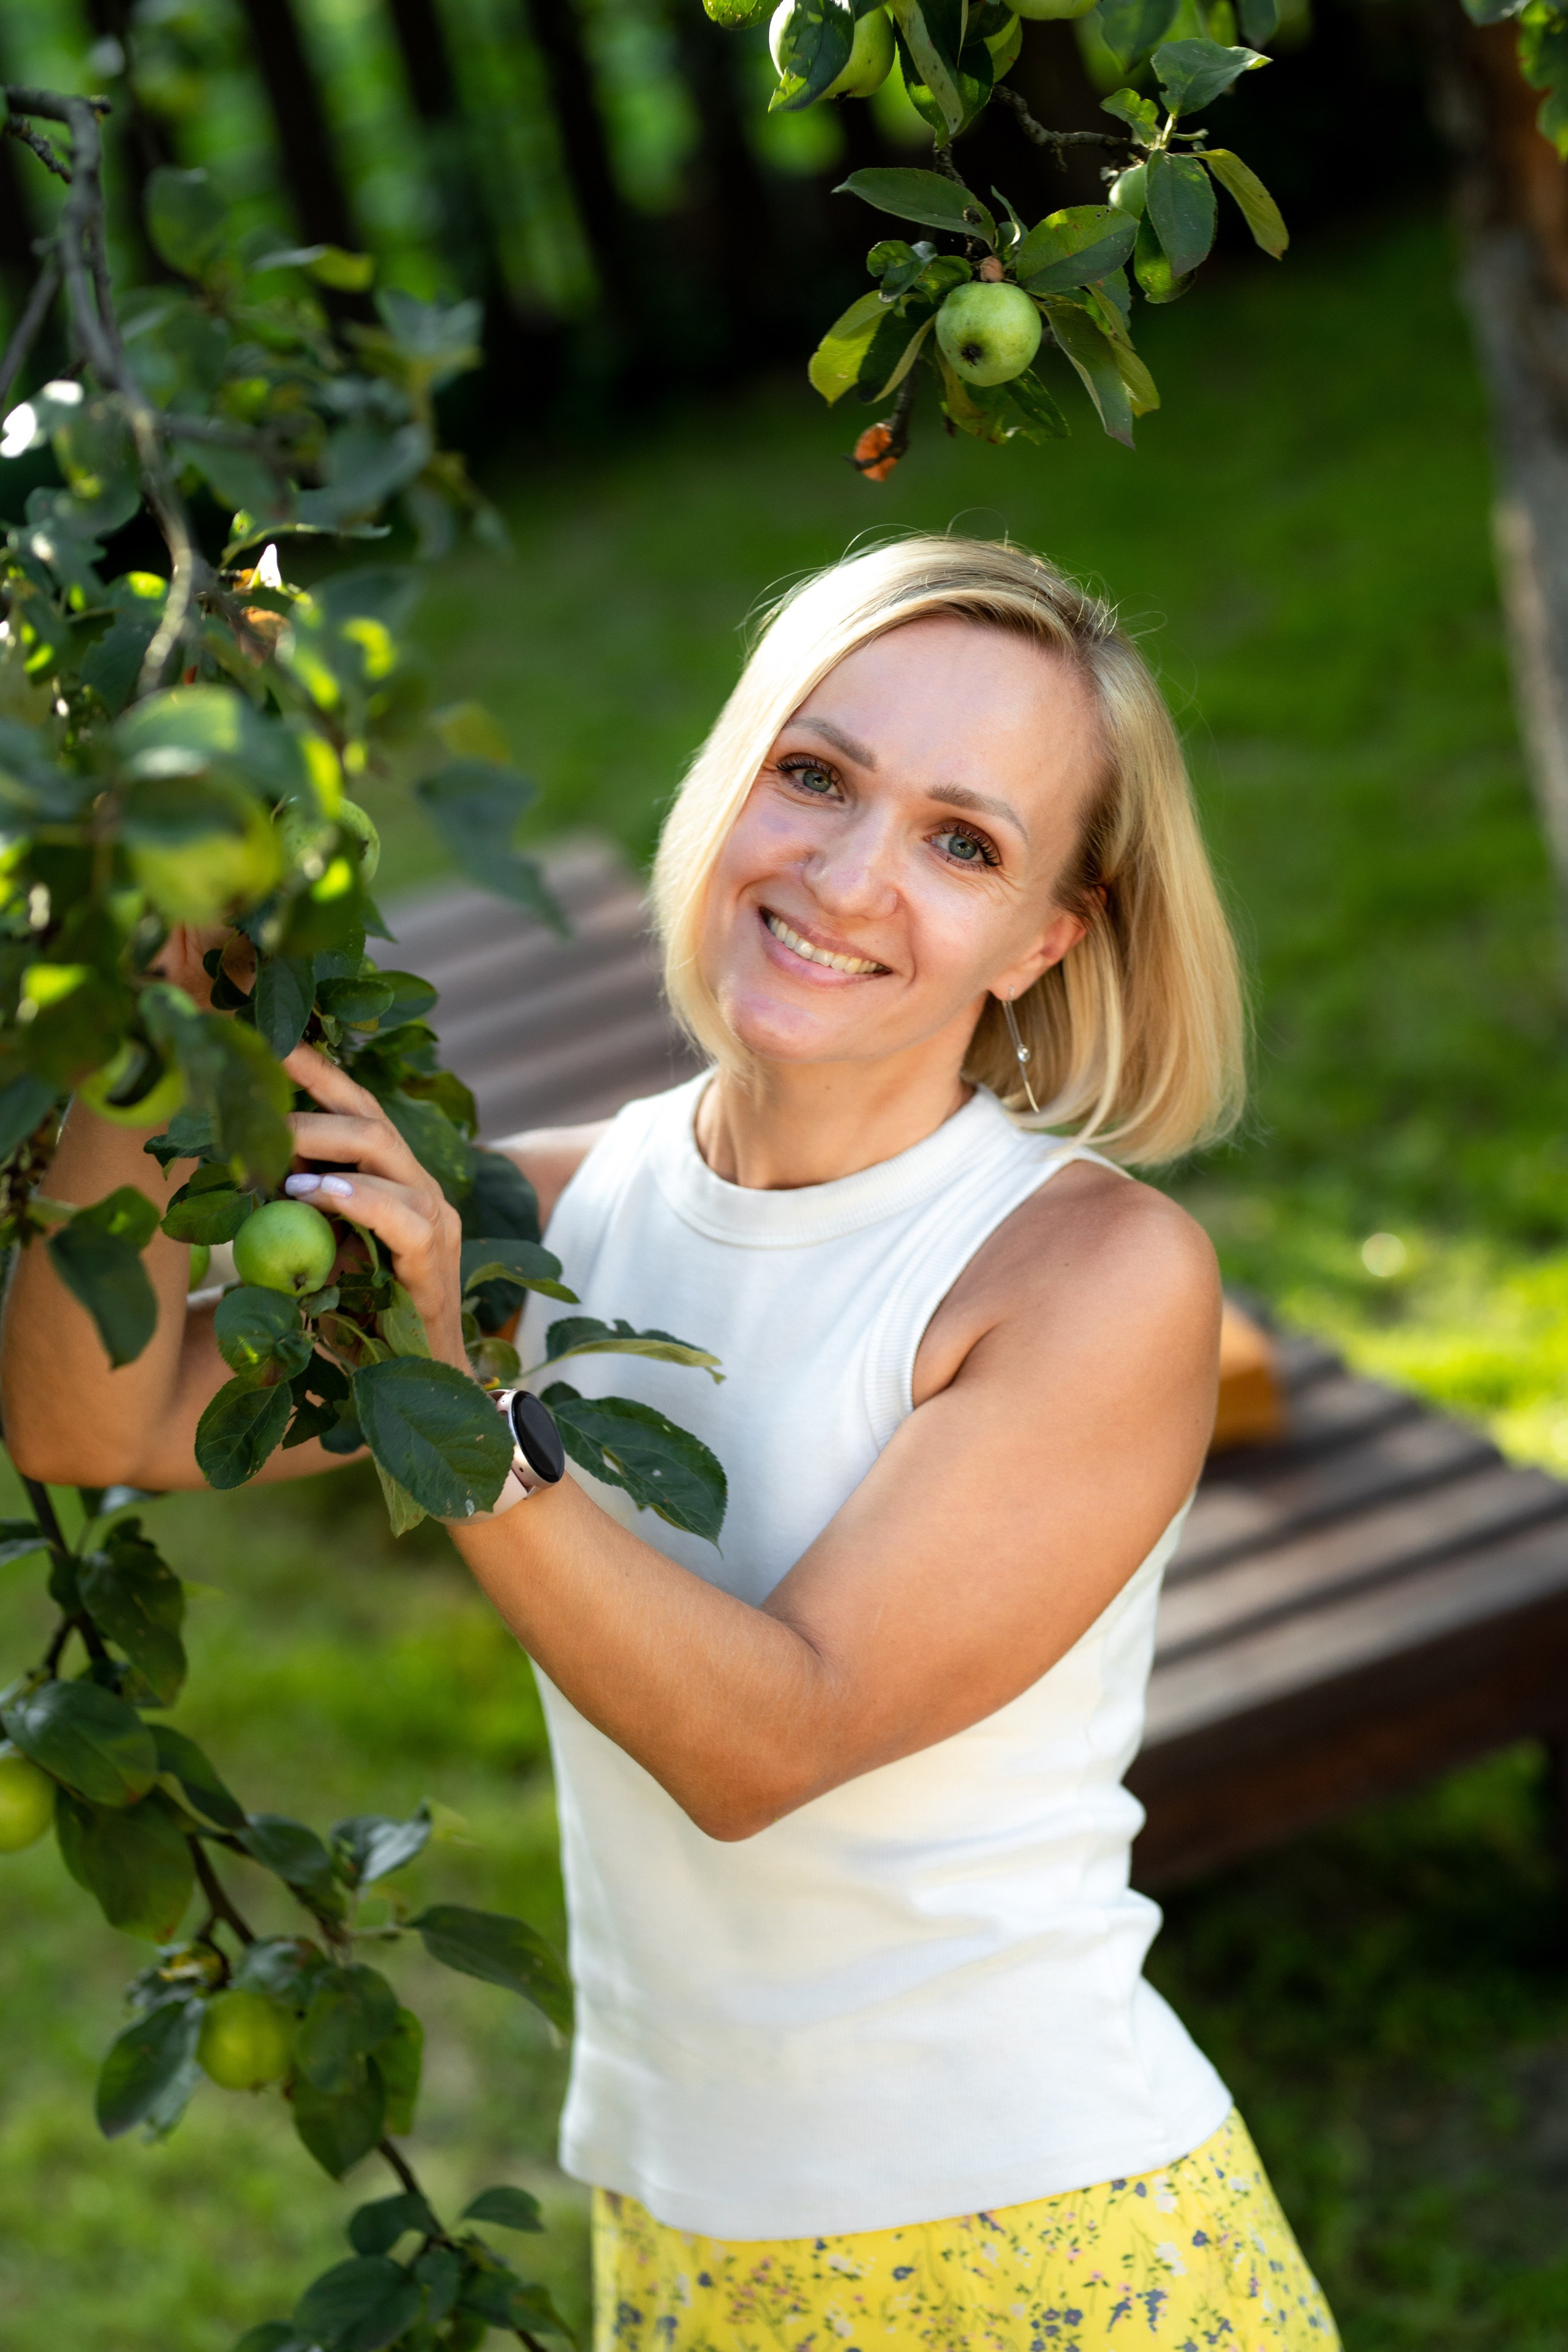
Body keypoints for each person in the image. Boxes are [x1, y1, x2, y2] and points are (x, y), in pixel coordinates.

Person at [2, 537, 1339, 2350]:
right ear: (734, 778)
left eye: (965, 841)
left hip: (1035, 2233)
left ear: (1048, 935)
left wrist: (455, 1403)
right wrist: (157, 971)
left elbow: (763, 1745)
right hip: (683, 2222)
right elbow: (104, 1418)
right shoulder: (580, 1207)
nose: (852, 874)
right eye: (818, 773)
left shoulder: (1089, 1274)